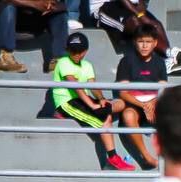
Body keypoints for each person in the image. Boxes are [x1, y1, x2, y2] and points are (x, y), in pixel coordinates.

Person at [52, 32, 136, 171]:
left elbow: (93, 86)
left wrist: (101, 99)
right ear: (67, 50)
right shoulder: (63, 62)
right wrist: (92, 105)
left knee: (120, 103)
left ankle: (112, 159)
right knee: (104, 121)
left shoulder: (87, 65)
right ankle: (113, 158)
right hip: (67, 102)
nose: (76, 54)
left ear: (85, 51)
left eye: (80, 51)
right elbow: (76, 86)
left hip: (82, 99)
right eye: (73, 51)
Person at [113, 23, 167, 171]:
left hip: (154, 105)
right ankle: (147, 157)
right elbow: (123, 92)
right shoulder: (126, 62)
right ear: (135, 42)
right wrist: (144, 106)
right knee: (128, 115)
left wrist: (152, 103)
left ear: (155, 43)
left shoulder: (160, 63)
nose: (144, 46)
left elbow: (163, 90)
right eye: (141, 41)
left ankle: (173, 156)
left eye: (148, 42)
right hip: (135, 105)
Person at [0, 0, 68, 74]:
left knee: (59, 10)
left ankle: (59, 60)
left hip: (29, 13)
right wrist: (35, 4)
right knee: (8, 6)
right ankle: (5, 58)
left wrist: (48, 4)